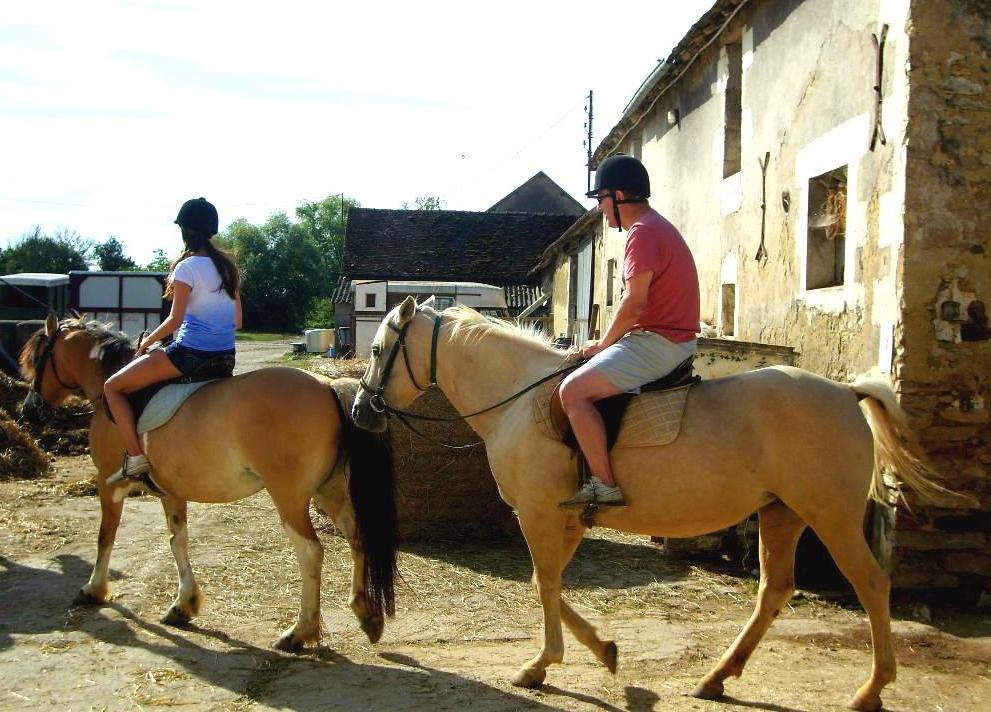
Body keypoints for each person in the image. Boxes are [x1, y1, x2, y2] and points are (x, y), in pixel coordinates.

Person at [558, 155, 700, 509]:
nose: (600, 209)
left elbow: (634, 303)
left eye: (601, 199)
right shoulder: (655, 226)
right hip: (664, 338)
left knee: (572, 392)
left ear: (619, 196)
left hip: (659, 342)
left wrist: (604, 343)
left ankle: (604, 485)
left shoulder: (643, 233)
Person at [105, 197, 242, 483]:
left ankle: (135, 457)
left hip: (190, 355)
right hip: (226, 357)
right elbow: (237, 322)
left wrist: (145, 343)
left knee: (113, 387)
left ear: (185, 231)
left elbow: (174, 321)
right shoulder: (228, 269)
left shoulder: (186, 268)